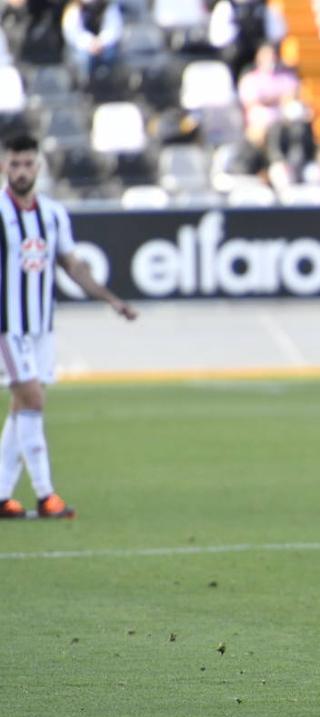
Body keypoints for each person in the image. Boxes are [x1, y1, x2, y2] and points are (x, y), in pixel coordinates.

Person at [0, 134, 137, 520]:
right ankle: (46, 496)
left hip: (42, 325)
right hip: (5, 326)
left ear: (38, 168)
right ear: (4, 167)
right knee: (33, 401)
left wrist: (112, 300)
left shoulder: (53, 214)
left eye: (28, 164)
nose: (22, 171)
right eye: (15, 164)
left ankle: (1, 495)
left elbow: (73, 266)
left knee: (22, 405)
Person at [60, 0, 120, 84]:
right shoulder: (73, 8)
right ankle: (86, 85)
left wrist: (100, 42)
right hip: (82, 48)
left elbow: (113, 29)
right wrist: (90, 43)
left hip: (104, 46)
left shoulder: (109, 7)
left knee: (110, 55)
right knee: (84, 59)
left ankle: (109, 84)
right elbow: (72, 34)